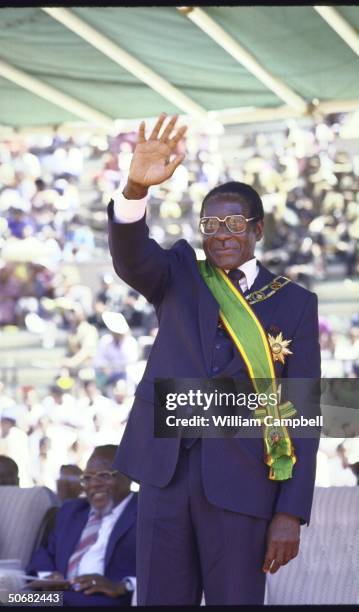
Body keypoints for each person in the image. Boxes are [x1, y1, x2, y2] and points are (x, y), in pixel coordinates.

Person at [107, 113, 321, 605]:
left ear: (258, 229)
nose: (222, 234)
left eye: (234, 223)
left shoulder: (295, 303)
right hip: (164, 476)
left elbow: (303, 414)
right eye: (211, 223)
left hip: (243, 485)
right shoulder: (179, 271)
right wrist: (136, 187)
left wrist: (290, 512)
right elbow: (130, 255)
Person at [27, 444, 137, 607]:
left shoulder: (146, 513)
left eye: (104, 476)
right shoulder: (71, 510)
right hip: (57, 596)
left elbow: (166, 567)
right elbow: (45, 553)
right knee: (9, 598)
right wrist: (48, 576)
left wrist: (124, 585)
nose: (94, 484)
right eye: (87, 478)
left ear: (127, 476)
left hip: (102, 599)